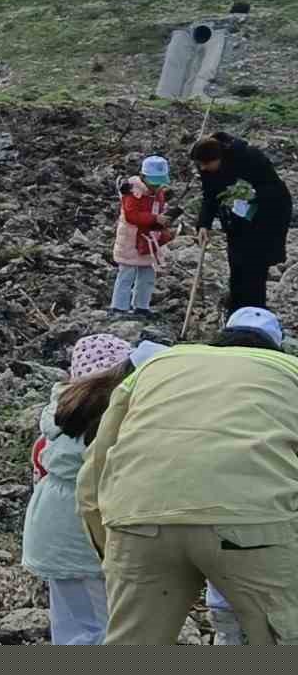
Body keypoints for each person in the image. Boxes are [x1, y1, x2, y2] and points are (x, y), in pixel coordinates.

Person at [76, 307, 298, 645]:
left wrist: (114, 553)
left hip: (138, 516)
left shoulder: (158, 365)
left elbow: (95, 467)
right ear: (275, 348)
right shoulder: (289, 372)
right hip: (250, 520)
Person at [21, 333, 134, 645]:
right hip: (80, 539)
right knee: (96, 630)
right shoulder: (104, 422)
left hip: (57, 532)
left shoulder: (61, 416)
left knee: (75, 623)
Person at [191, 133, 291, 311]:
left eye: (206, 164)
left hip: (266, 218)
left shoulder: (250, 157)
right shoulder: (206, 165)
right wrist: (204, 224)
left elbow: (275, 189)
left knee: (255, 268)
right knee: (237, 264)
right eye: (200, 165)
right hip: (236, 219)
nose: (203, 169)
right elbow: (210, 196)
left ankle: (255, 313)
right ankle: (236, 311)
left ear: (219, 158)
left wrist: (250, 193)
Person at [110, 155, 176, 317]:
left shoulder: (158, 192)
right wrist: (155, 219)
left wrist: (164, 223)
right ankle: (119, 307)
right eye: (153, 183)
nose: (156, 187)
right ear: (143, 177)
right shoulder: (132, 192)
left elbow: (158, 210)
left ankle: (141, 306)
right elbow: (131, 215)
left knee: (147, 275)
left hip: (148, 240)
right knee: (126, 274)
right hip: (131, 241)